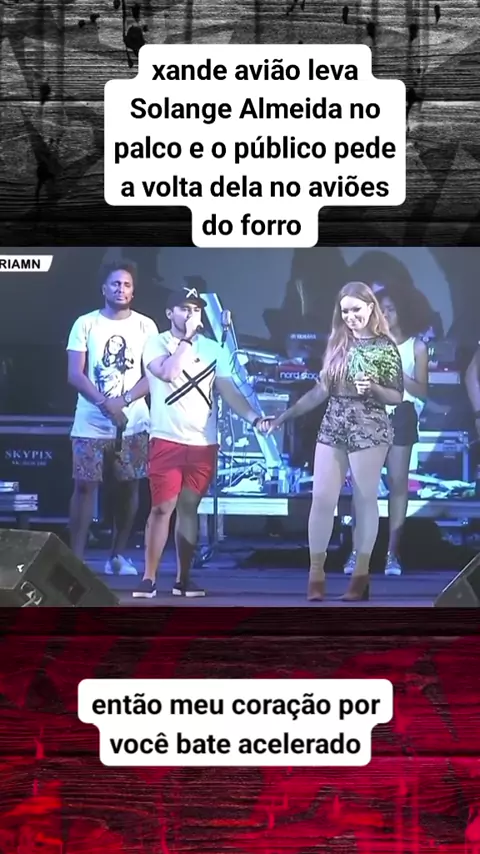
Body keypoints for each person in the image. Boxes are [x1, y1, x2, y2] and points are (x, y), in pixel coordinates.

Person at [267, 281, 404, 602]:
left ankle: (361, 575)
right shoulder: (338, 342)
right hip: (334, 424)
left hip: (368, 426)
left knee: (364, 499)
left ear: (370, 308)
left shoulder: (385, 346)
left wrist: (374, 388)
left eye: (356, 310)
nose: (350, 317)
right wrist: (283, 417)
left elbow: (396, 396)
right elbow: (320, 391)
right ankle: (316, 573)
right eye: (345, 311)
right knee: (322, 499)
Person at [133, 287, 271, 599]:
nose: (191, 314)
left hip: (203, 443)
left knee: (189, 507)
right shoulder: (156, 343)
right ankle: (149, 577)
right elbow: (168, 373)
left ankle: (183, 578)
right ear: (169, 313)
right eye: (184, 308)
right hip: (166, 438)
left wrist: (254, 419)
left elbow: (228, 390)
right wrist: (186, 340)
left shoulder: (213, 349)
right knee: (162, 507)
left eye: (195, 309)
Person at [67, 262, 158, 572]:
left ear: (133, 291)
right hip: (90, 422)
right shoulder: (85, 324)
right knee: (84, 486)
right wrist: (106, 404)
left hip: (134, 423)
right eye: (115, 284)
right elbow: (75, 374)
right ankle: (75, 560)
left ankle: (117, 557)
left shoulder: (146, 326)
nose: (121, 289)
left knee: (129, 487)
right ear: (103, 288)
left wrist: (125, 401)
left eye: (127, 284)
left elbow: (153, 374)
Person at [343, 290, 428, 577]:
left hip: (402, 414)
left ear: (401, 311)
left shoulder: (416, 347)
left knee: (397, 484)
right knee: (363, 486)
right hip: (370, 415)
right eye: (381, 309)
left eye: (390, 309)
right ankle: (357, 553)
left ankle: (393, 554)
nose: (385, 314)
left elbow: (422, 391)